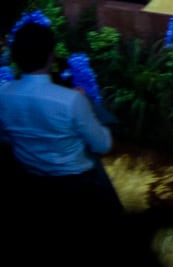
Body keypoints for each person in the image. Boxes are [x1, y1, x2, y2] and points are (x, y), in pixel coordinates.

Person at [0, 19, 116, 212]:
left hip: (31, 183)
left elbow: (5, 138)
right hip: (78, 188)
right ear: (51, 57)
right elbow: (103, 145)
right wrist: (87, 105)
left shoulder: (3, 95)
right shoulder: (70, 100)